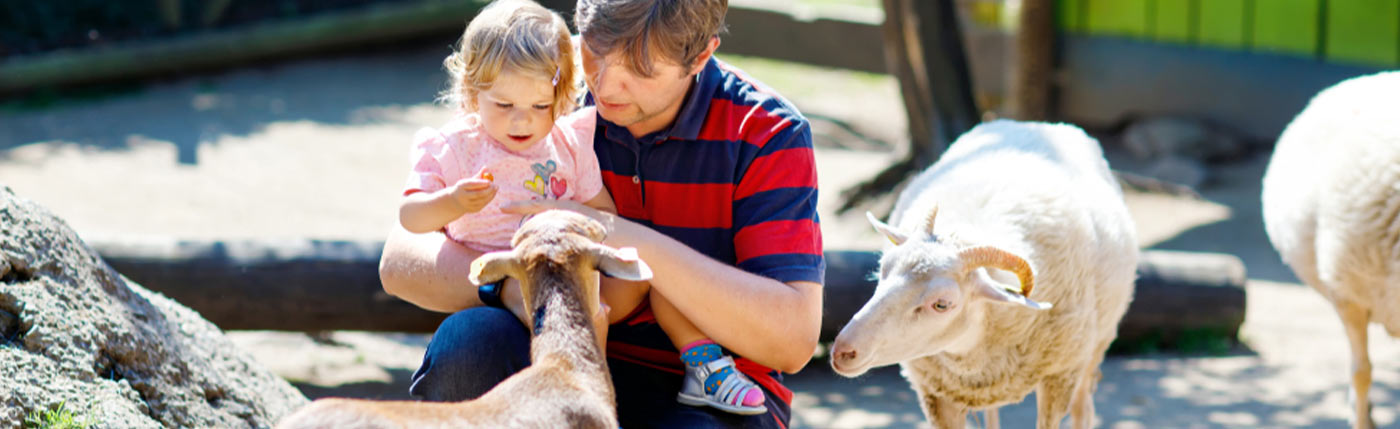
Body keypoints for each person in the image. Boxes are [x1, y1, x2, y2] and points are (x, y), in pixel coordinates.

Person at [380, 0, 824, 426]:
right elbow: (400, 259)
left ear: (700, 55)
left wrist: (612, 233)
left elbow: (791, 341)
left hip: (708, 386)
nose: (605, 87)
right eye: (595, 51)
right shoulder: (538, 79)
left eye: (642, 70)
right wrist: (516, 291)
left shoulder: (766, 132)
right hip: (553, 355)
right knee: (471, 342)